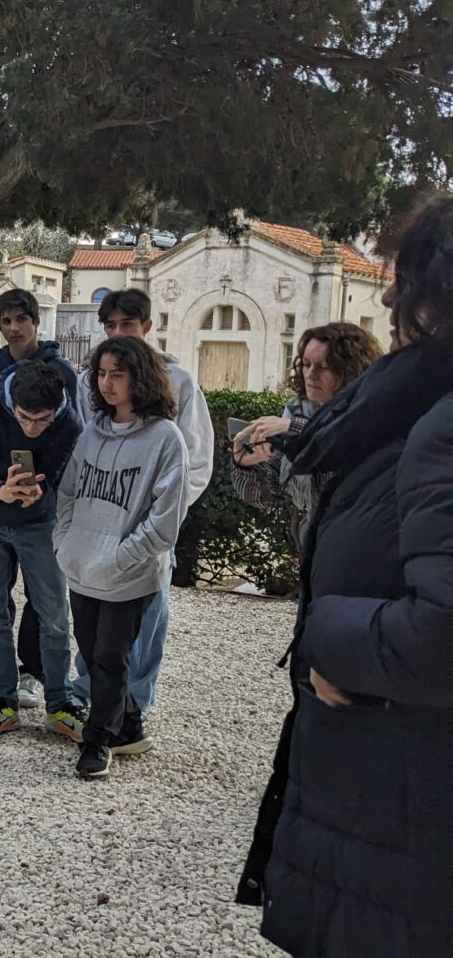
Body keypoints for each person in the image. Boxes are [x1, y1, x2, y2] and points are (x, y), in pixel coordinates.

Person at [238, 198, 453, 956]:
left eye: (408, 281)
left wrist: (327, 639)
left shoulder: (438, 425)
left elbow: (443, 631)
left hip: (408, 806)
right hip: (383, 796)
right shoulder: (404, 411)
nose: (389, 298)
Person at [70, 288, 212, 716]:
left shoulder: (179, 381)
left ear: (147, 326)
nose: (118, 333)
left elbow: (196, 460)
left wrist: (163, 517)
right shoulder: (89, 380)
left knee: (147, 617)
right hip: (99, 521)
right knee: (91, 617)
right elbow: (85, 451)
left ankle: (135, 705)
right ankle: (89, 694)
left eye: (127, 324)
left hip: (149, 526)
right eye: (110, 325)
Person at [55, 336, 187, 779]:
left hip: (129, 574)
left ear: (140, 378)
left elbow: (166, 521)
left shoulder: (165, 439)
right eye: (101, 373)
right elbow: (68, 491)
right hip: (82, 566)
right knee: (93, 656)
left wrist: (121, 556)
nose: (106, 383)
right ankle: (128, 726)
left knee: (112, 657)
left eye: (118, 374)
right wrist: (65, 542)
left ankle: (98, 742)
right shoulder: (92, 431)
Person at [0, 288, 82, 706]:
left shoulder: (69, 418)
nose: (32, 429)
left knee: (53, 612)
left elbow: (68, 477)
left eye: (42, 421)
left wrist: (41, 496)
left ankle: (57, 697)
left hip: (38, 519)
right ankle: (3, 696)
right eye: (24, 419)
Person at [230, 322, 382, 551]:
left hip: (363, 546)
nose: (310, 375)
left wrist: (297, 429)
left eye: (323, 367)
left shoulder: (371, 413)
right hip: (314, 549)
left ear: (351, 370)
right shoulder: (297, 411)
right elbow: (264, 497)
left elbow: (345, 445)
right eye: (306, 364)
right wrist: (245, 464)